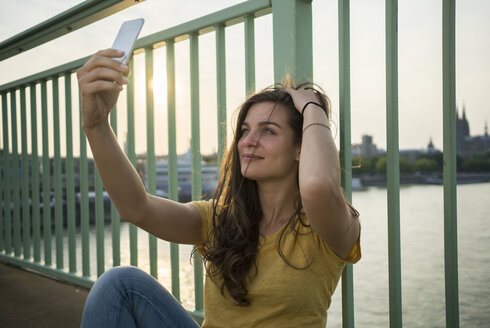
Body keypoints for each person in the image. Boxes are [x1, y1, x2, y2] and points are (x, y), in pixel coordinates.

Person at [78, 49, 361, 328]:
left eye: (268, 131)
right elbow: (136, 208)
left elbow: (317, 186)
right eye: (245, 130)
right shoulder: (221, 219)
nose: (248, 141)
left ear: (301, 147)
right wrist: (96, 124)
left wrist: (313, 108)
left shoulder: (327, 226)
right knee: (119, 284)